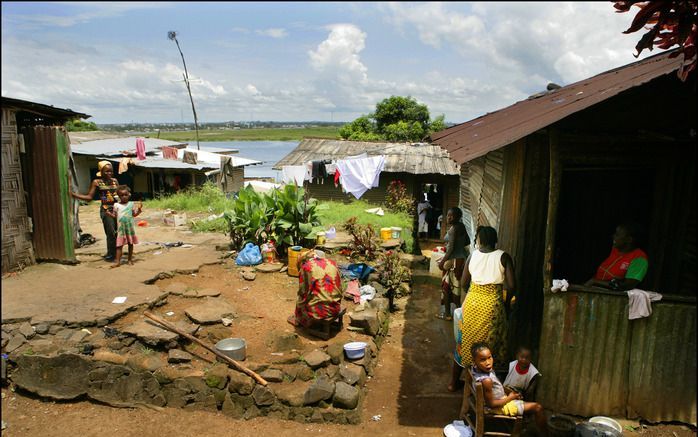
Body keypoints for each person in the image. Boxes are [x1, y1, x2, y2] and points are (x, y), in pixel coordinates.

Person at [449, 225, 514, 392]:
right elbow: (513, 286)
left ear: (479, 240)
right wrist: (505, 304)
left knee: (464, 342)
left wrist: (473, 294)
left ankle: (453, 383)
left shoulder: (473, 256)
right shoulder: (504, 257)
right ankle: (486, 388)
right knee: (490, 346)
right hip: (492, 305)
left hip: (472, 303)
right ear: (495, 240)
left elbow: (464, 284)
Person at [470, 342, 548, 435]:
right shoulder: (486, 381)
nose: (488, 362)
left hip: (497, 399)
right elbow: (492, 404)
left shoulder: (475, 369)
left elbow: (494, 389)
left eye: (489, 357)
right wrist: (510, 397)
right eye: (483, 360)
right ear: (474, 361)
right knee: (538, 407)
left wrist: (508, 392)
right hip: (498, 407)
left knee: (519, 397)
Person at [71, 161, 120, 261]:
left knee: (117, 233)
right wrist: (74, 195)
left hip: (117, 209)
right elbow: (89, 197)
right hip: (106, 210)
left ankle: (116, 253)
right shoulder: (96, 182)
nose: (109, 173)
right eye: (106, 171)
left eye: (110, 171)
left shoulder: (115, 181)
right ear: (101, 172)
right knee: (110, 233)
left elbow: (119, 195)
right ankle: (111, 254)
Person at [287, 249, 343, 329]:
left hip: (319, 312)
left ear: (303, 261)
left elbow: (302, 293)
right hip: (336, 307)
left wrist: (298, 312)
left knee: (301, 298)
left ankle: (299, 320)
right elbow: (340, 287)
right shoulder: (332, 263)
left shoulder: (306, 267)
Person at [584, 222, 648, 291]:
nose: (613, 236)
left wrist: (595, 282)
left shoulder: (639, 258)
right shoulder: (615, 250)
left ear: (629, 239)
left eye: (617, 235)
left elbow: (627, 286)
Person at [436, 207, 471, 320]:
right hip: (461, 261)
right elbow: (467, 241)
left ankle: (447, 314)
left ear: (458, 217)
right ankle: (459, 316)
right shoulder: (462, 226)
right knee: (457, 288)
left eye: (451, 215)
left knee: (446, 287)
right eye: (448, 215)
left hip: (453, 262)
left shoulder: (452, 230)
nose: (449, 217)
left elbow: (450, 249)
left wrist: (442, 262)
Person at [106, 185, 142, 267]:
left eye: (126, 194)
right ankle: (117, 261)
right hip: (121, 229)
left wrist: (139, 211)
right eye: (122, 195)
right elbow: (115, 216)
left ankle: (129, 260)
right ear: (118, 196)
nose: (124, 197)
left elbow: (134, 215)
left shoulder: (131, 204)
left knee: (130, 244)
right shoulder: (116, 205)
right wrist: (109, 214)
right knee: (119, 245)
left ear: (129, 194)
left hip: (129, 228)